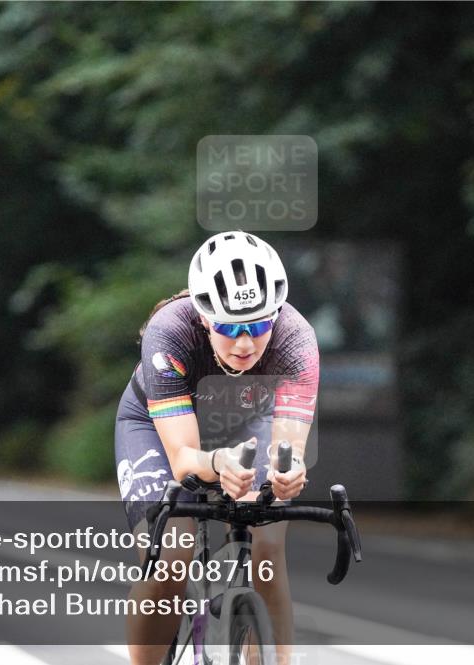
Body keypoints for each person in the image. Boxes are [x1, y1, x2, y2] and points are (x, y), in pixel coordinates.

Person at [115, 232, 319, 665]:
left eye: (260, 324)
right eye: (229, 327)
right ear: (205, 317)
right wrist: (217, 463)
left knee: (267, 543)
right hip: (159, 428)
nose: (245, 343)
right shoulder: (169, 331)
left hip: (244, 423)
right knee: (171, 555)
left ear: (277, 314)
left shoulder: (297, 338)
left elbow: (288, 448)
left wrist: (289, 470)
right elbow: (185, 459)